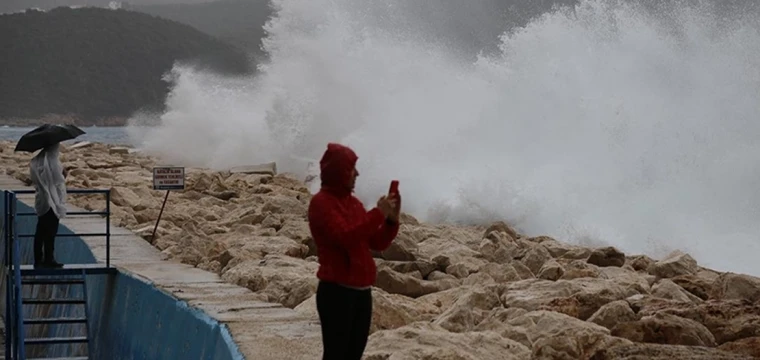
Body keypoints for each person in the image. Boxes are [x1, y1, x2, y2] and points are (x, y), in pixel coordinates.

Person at [308, 143, 401, 360]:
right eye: (352, 169)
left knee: (353, 356)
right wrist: (378, 213)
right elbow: (345, 237)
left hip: (361, 292)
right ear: (339, 171)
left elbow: (376, 242)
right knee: (336, 355)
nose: (357, 174)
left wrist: (391, 221)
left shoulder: (354, 204)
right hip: (336, 292)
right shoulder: (321, 203)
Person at [29, 142, 67, 268]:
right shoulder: (52, 160)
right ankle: (49, 259)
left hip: (41, 200)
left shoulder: (36, 160)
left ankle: (38, 259)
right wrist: (64, 174)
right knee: (50, 232)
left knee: (40, 231)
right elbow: (57, 179)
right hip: (51, 200)